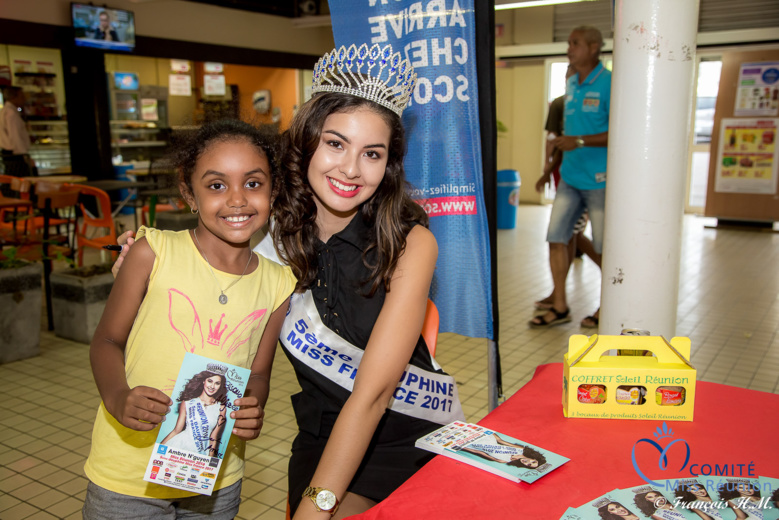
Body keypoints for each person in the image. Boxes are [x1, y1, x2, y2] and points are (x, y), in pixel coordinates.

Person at [113, 43, 464, 520]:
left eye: (372, 153)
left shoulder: (410, 242)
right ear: (307, 141)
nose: (351, 169)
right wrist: (143, 259)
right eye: (335, 143)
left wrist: (318, 507)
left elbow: (375, 393)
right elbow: (197, 249)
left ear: (389, 164)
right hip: (324, 437)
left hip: (411, 432)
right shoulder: (264, 232)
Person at [83, 119, 296, 519]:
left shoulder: (279, 283)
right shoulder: (153, 253)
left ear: (274, 190)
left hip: (214, 475)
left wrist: (253, 404)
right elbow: (107, 341)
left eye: (253, 183)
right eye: (217, 185)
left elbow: (260, 372)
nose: (237, 200)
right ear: (189, 192)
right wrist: (116, 397)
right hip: (129, 474)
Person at [530, 25, 610, 329]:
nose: (569, 48)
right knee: (556, 238)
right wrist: (550, 169)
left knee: (604, 247)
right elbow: (564, 135)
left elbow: (620, 131)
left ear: (592, 48)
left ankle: (608, 307)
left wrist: (578, 141)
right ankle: (560, 305)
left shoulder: (610, 83)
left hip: (600, 180)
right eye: (568, 43)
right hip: (571, 179)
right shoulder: (573, 84)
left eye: (574, 43)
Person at [534, 64, 597, 314]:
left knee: (575, 236)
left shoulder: (595, 102)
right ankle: (558, 294)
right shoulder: (561, 104)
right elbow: (554, 141)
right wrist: (547, 170)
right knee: (565, 236)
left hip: (593, 181)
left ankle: (612, 283)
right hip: (568, 178)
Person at [161, 370, 229, 457]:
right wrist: (159, 447)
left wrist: (210, 460)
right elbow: (177, 430)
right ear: (204, 381)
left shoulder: (221, 408)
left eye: (217, 383)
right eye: (210, 381)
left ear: (220, 386)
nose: (212, 386)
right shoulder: (187, 402)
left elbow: (214, 437)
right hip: (180, 446)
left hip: (201, 451)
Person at [456, 432, 547, 469]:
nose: (528, 462)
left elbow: (480, 452)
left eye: (529, 465)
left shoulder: (503, 460)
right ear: (534, 457)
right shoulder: (521, 449)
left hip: (475, 445)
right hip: (488, 438)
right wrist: (487, 431)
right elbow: (501, 441)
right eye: (533, 461)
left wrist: (462, 446)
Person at [0, 86, 35, 176]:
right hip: (16, 155)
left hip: (11, 153)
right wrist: (24, 156)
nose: (24, 99)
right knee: (20, 183)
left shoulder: (6, 111)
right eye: (22, 96)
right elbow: (15, 136)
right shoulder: (10, 113)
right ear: (13, 97)